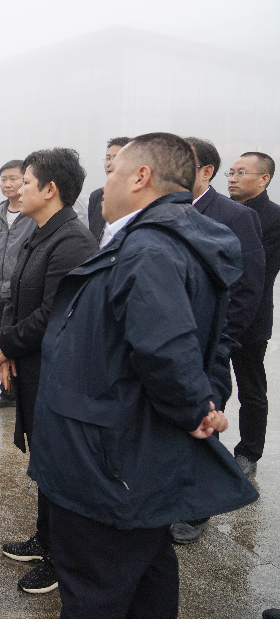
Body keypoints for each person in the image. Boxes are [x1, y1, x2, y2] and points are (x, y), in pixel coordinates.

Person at [28, 133, 258, 618]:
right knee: (147, 575)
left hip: (108, 462)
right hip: (129, 454)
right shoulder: (163, 239)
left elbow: (166, 347)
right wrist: (203, 402)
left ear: (141, 177)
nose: (103, 184)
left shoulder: (148, 248)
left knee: (97, 587)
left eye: (112, 172)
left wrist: (196, 407)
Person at [0, 148, 97, 594]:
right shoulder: (41, 232)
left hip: (57, 371)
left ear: (50, 190)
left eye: (28, 182)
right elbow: (18, 299)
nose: (20, 188)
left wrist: (5, 345)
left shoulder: (71, 240)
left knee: (57, 463)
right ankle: (45, 536)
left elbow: (56, 312)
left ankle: (62, 558)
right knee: (43, 456)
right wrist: (7, 347)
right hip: (32, 364)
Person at [169, 138, 265, 545]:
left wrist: (220, 343)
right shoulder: (166, 209)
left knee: (207, 418)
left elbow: (247, 287)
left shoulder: (234, 216)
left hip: (209, 342)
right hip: (170, 337)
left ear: (205, 172)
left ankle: (197, 509)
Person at [226, 151, 280, 478]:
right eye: (230, 172)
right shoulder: (221, 212)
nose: (232, 178)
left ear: (264, 179)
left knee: (250, 387)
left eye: (241, 172)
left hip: (252, 318)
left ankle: (249, 452)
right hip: (214, 314)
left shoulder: (274, 218)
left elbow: (261, 272)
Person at [0, 161, 36, 409]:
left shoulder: (32, 214)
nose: (7, 184)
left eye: (13, 178)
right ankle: (8, 391)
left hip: (20, 292)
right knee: (0, 342)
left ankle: (25, 393)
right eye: (3, 179)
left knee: (21, 343)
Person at [86, 137, 131, 242]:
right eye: (107, 158)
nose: (109, 163)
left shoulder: (136, 197)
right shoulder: (96, 197)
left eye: (115, 158)